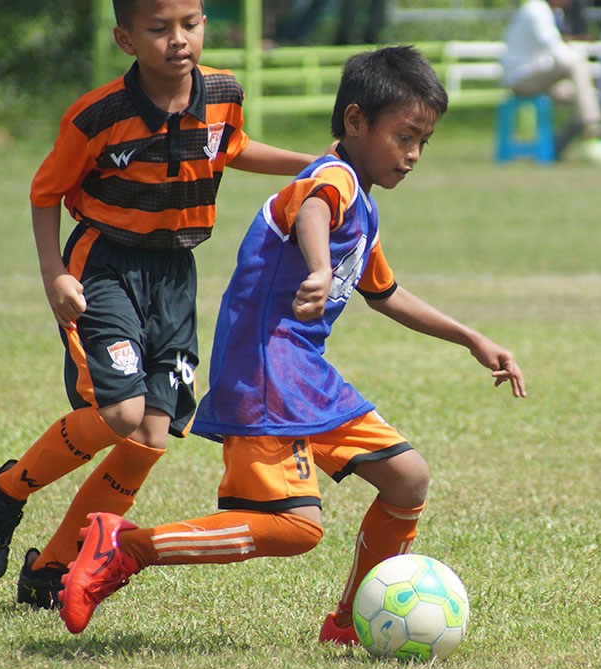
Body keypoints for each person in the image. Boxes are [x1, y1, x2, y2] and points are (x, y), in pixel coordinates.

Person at [54, 45, 526, 638]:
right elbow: (312, 212)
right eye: (404, 136)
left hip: (301, 373)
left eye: (423, 143)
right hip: (265, 373)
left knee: (408, 479)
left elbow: (384, 292)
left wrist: (471, 338)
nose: (412, 155)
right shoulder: (332, 179)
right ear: (356, 121)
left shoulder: (361, 201)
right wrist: (319, 267)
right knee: (297, 527)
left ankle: (351, 622)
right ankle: (124, 547)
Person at [0, 0, 323, 609]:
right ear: (126, 39)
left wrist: (313, 165)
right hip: (105, 265)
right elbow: (45, 191)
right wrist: (54, 274)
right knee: (122, 412)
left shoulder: (224, 93)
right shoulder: (98, 115)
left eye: (190, 24)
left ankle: (52, 568)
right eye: (158, 29)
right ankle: (6, 489)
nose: (178, 39)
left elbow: (231, 147)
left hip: (175, 273)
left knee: (152, 433)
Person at [500, 0, 601, 155]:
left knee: (584, 98)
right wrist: (580, 64)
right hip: (520, 78)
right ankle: (593, 124)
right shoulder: (536, 9)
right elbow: (553, 48)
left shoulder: (551, 12)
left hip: (537, 76)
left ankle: (555, 146)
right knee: (576, 64)